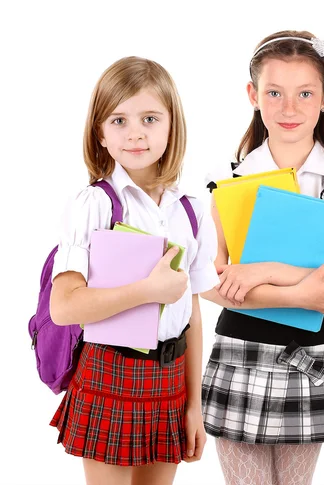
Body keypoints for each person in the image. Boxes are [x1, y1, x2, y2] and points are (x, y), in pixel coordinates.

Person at [200, 30, 324, 485]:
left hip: (309, 356)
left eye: (304, 93)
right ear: (253, 95)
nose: (289, 108)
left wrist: (264, 271)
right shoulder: (229, 178)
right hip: (240, 352)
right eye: (274, 93)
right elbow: (212, 281)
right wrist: (306, 291)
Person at [49, 56, 219, 485]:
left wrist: (193, 405)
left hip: (171, 380)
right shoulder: (97, 204)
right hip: (111, 371)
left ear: (170, 126)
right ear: (100, 135)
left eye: (149, 118)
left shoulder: (190, 212)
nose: (136, 132)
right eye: (119, 120)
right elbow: (65, 307)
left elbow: (192, 314)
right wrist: (147, 290)